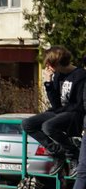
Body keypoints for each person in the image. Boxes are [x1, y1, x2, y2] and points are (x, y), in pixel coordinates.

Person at [24, 46, 86, 176]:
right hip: (60, 111)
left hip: (74, 114)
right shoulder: (58, 75)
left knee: (48, 126)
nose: (47, 67)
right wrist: (48, 83)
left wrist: (60, 109)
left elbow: (80, 105)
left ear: (56, 63)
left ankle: (73, 154)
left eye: (49, 64)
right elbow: (55, 103)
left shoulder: (80, 75)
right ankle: (57, 152)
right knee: (27, 124)